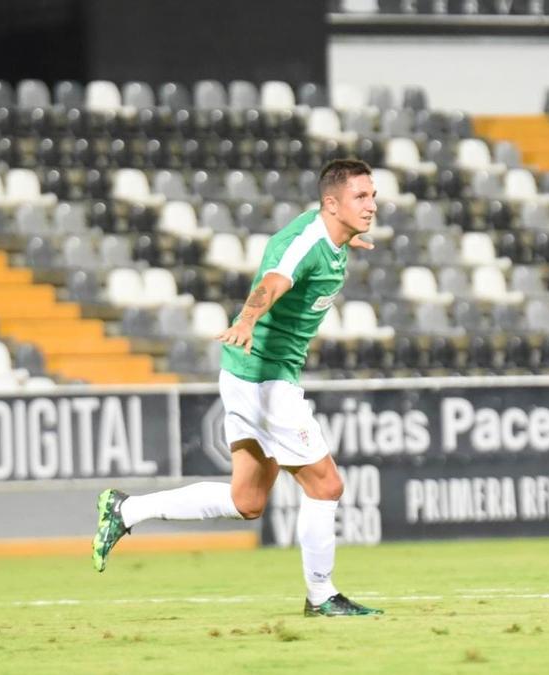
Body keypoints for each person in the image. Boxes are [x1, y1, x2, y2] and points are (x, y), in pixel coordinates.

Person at [91, 159, 383, 618]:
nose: (371, 205)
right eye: (360, 197)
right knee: (326, 486)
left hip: (247, 376)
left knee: (246, 501)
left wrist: (347, 236)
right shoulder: (305, 244)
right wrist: (246, 319)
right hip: (265, 379)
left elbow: (313, 253)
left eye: (372, 195)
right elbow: (272, 282)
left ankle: (126, 511)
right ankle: (321, 595)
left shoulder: (332, 236)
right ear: (331, 203)